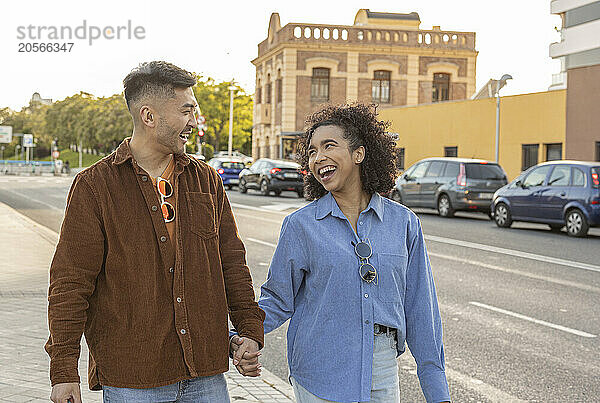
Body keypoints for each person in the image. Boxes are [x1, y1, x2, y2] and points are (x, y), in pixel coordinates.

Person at [46, 61, 264, 403]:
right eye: (186, 110)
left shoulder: (206, 180)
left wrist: (249, 330)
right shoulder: (95, 187)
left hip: (206, 373)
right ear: (149, 116)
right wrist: (64, 370)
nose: (195, 120)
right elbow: (70, 284)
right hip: (133, 379)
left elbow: (232, 263)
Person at [232, 103, 450, 402]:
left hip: (381, 369)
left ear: (359, 153)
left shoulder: (404, 223)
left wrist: (438, 392)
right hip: (319, 370)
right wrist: (247, 337)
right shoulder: (301, 226)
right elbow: (278, 299)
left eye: (329, 146)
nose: (318, 157)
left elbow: (421, 311)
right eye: (311, 151)